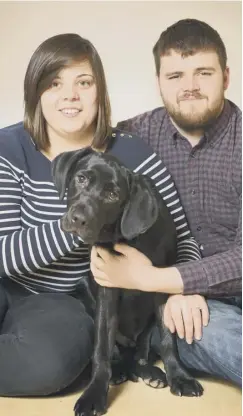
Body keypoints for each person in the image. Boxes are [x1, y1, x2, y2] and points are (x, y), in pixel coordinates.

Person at [0, 33, 201, 396]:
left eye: (84, 82)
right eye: (54, 83)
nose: (69, 96)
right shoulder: (7, 147)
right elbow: (2, 255)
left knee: (49, 365)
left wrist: (180, 286)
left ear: (100, 91)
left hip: (63, 302)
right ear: (36, 93)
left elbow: (182, 239)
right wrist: (81, 219)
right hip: (7, 283)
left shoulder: (134, 155)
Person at [91, 19, 242, 387]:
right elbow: (71, 141)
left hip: (180, 287)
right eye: (175, 76)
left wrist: (169, 281)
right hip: (195, 313)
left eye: (202, 73)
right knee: (225, 338)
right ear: (158, 83)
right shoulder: (133, 138)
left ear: (225, 76)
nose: (189, 87)